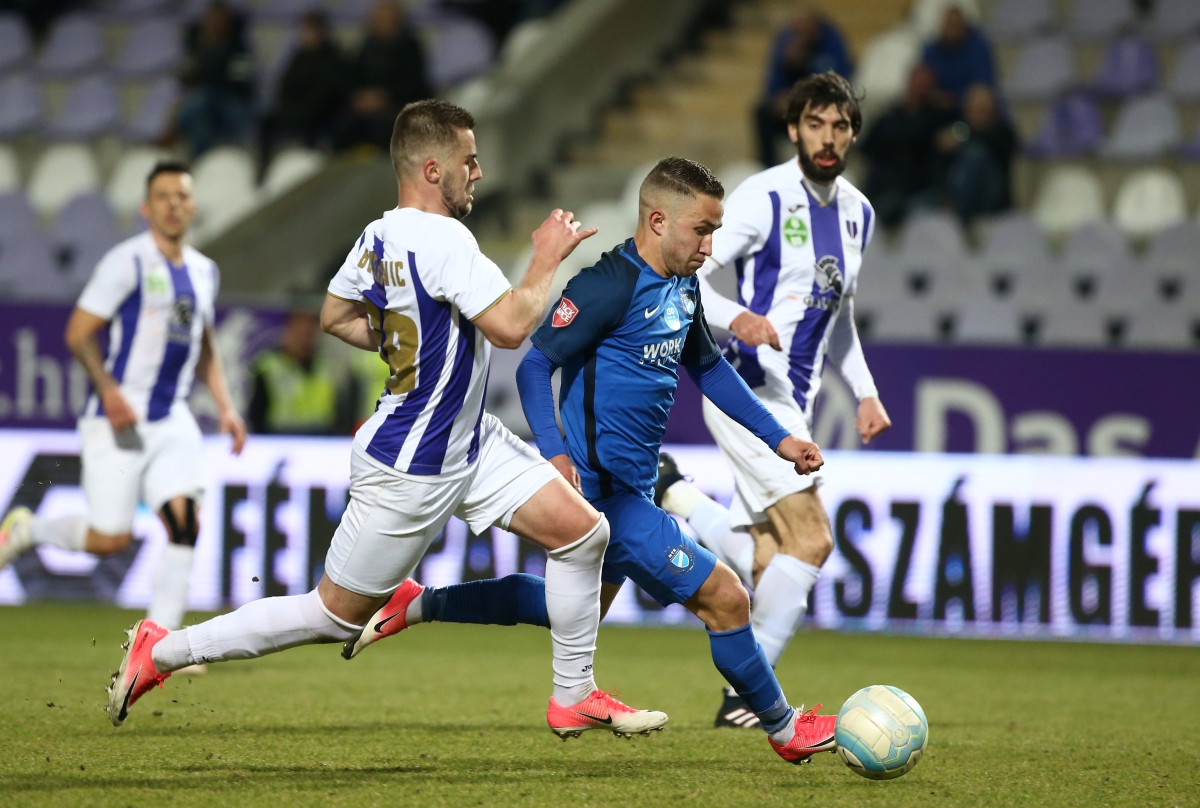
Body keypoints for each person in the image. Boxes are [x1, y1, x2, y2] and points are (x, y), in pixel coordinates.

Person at [103, 100, 667, 741]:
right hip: (413, 463)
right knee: (332, 616)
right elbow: (511, 328)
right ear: (433, 168)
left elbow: (335, 316)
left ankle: (574, 697)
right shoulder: (446, 238)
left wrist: (408, 344)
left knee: (582, 534)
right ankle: (162, 650)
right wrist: (544, 258)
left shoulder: (379, 234)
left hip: (468, 440)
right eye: (468, 160)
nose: (478, 171)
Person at [343, 157, 841, 764]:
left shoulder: (681, 286)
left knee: (566, 607)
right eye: (702, 231)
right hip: (606, 493)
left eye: (715, 231)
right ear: (658, 221)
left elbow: (708, 367)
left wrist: (780, 440)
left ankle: (416, 603)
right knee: (728, 598)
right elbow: (532, 364)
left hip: (632, 483)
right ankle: (786, 730)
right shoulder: (608, 285)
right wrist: (554, 455)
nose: (710, 248)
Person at [660, 73, 891, 729]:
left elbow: (840, 315)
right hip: (750, 387)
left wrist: (866, 394)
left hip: (798, 399)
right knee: (813, 539)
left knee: (770, 556)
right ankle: (747, 697)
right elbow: (690, 271)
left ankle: (673, 495)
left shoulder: (859, 212)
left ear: (851, 134)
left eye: (840, 126)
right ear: (793, 129)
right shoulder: (762, 198)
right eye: (815, 123)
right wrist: (737, 319)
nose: (827, 137)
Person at [0, 161, 247, 650]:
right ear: (145, 208)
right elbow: (78, 332)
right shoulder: (126, 262)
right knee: (107, 539)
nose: (174, 204)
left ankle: (158, 643)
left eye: (181, 195)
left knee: (184, 521)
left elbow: (204, 345)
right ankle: (28, 529)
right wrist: (109, 390)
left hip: (171, 417)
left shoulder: (204, 271)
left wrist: (226, 405)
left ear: (193, 206)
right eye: (163, 196)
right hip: (117, 418)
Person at [754, 5, 851, 167]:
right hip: (792, 110)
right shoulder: (787, 41)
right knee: (762, 112)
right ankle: (767, 165)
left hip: (821, 108)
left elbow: (839, 81)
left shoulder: (831, 42)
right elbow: (773, 86)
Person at [860, 64, 955, 227]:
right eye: (917, 84)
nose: (920, 90)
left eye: (925, 85)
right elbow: (866, 147)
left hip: (919, 191)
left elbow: (956, 135)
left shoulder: (939, 119)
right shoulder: (889, 117)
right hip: (885, 187)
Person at [334, 1, 432, 151]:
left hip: (399, 105)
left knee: (383, 130)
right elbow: (352, 75)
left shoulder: (410, 46)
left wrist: (385, 96)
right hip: (369, 107)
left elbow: (414, 82)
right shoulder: (369, 46)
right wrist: (359, 96)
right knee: (343, 126)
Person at [259, 10, 348, 167]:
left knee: (312, 125)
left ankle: (309, 166)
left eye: (309, 30)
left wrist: (302, 112)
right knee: (266, 122)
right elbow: (285, 86)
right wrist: (288, 108)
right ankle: (265, 167)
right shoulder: (299, 55)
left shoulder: (331, 57)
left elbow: (325, 93)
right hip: (295, 110)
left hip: (319, 114)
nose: (304, 34)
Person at [247, 309, 353, 435]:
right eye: (300, 331)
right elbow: (256, 414)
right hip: (280, 439)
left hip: (322, 440)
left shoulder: (327, 368)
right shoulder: (269, 367)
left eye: (310, 332)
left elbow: (341, 411)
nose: (305, 338)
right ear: (289, 331)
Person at [176, 1, 255, 156]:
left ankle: (175, 132)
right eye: (212, 19)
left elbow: (240, 82)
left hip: (234, 101)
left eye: (219, 19)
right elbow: (186, 76)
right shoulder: (196, 45)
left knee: (203, 100)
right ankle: (202, 160)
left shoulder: (238, 47)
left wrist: (213, 72)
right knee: (201, 117)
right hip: (206, 104)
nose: (215, 23)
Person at [941, 83, 1016, 223]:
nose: (977, 115)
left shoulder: (1003, 132)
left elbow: (995, 140)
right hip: (958, 195)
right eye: (973, 109)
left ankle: (959, 210)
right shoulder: (959, 130)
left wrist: (967, 135)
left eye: (982, 110)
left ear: (992, 110)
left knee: (975, 153)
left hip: (992, 200)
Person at [920, 4, 994, 110]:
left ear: (964, 26)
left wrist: (956, 98)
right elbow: (924, 81)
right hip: (936, 108)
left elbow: (982, 83)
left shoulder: (978, 48)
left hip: (967, 107)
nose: (952, 30)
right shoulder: (930, 50)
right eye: (949, 25)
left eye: (956, 25)